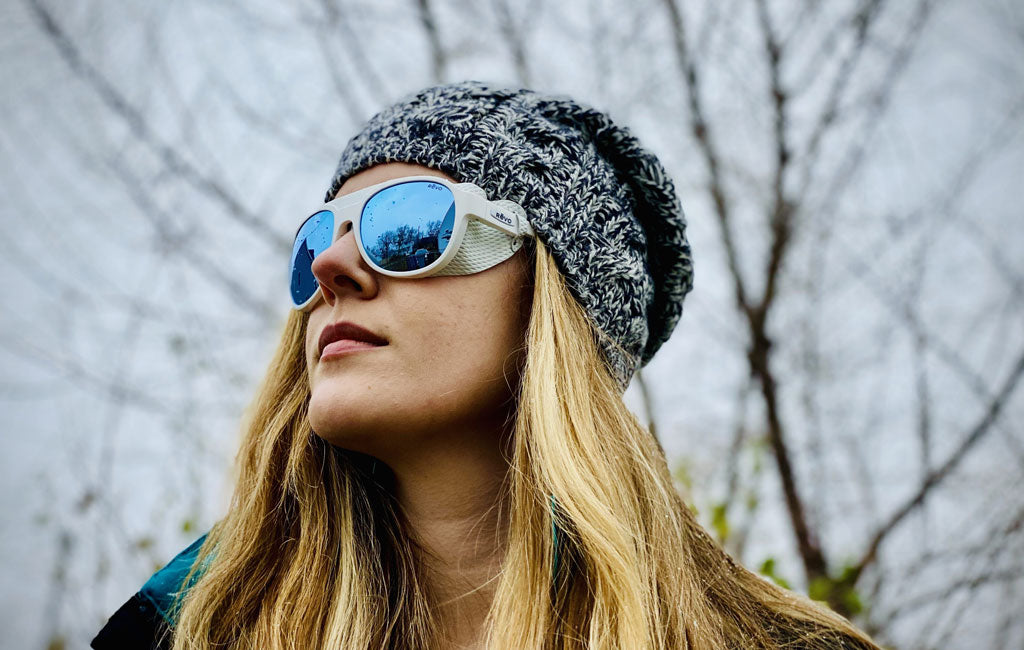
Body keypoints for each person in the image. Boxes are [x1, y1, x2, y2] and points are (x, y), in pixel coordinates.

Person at [92, 80, 880, 649]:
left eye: (405, 226)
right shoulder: (186, 628)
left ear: (553, 300)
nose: (334, 267)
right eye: (316, 240)